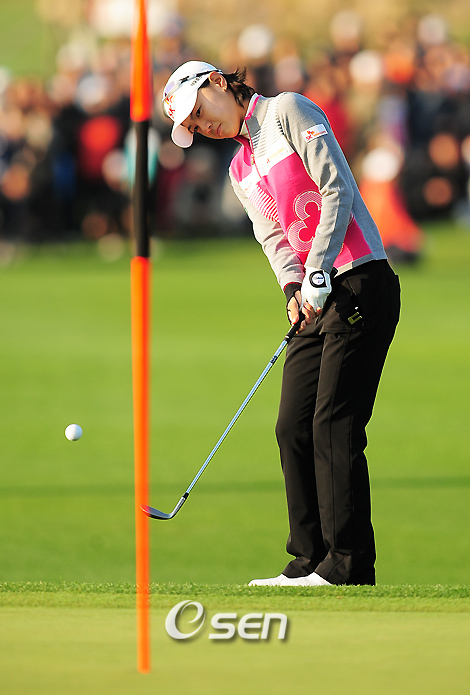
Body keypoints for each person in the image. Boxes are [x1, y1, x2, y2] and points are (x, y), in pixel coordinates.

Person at [162, 61, 401, 586]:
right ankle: (308, 559)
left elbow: (335, 187)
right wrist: (293, 288)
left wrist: (317, 269)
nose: (203, 126)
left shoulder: (288, 111)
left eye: (200, 111)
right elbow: (273, 236)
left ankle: (347, 564)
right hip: (315, 294)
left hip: (359, 279)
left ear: (218, 82)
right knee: (291, 425)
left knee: (333, 424)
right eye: (194, 126)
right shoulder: (239, 168)